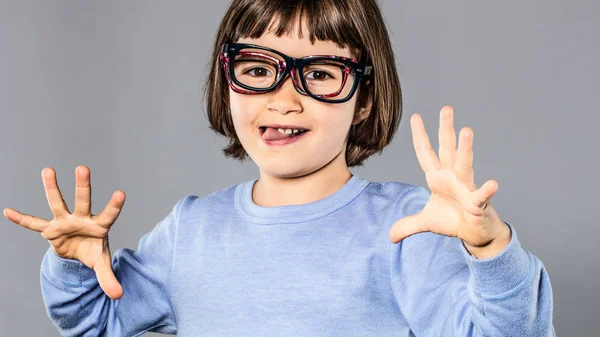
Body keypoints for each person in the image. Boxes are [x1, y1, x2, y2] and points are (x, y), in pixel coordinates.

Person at [3, 0, 555, 336]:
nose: (283, 98)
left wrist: (490, 250)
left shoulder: (413, 229)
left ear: (364, 98)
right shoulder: (191, 232)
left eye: (318, 74)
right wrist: (75, 267)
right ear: (228, 80)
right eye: (257, 67)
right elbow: (96, 323)